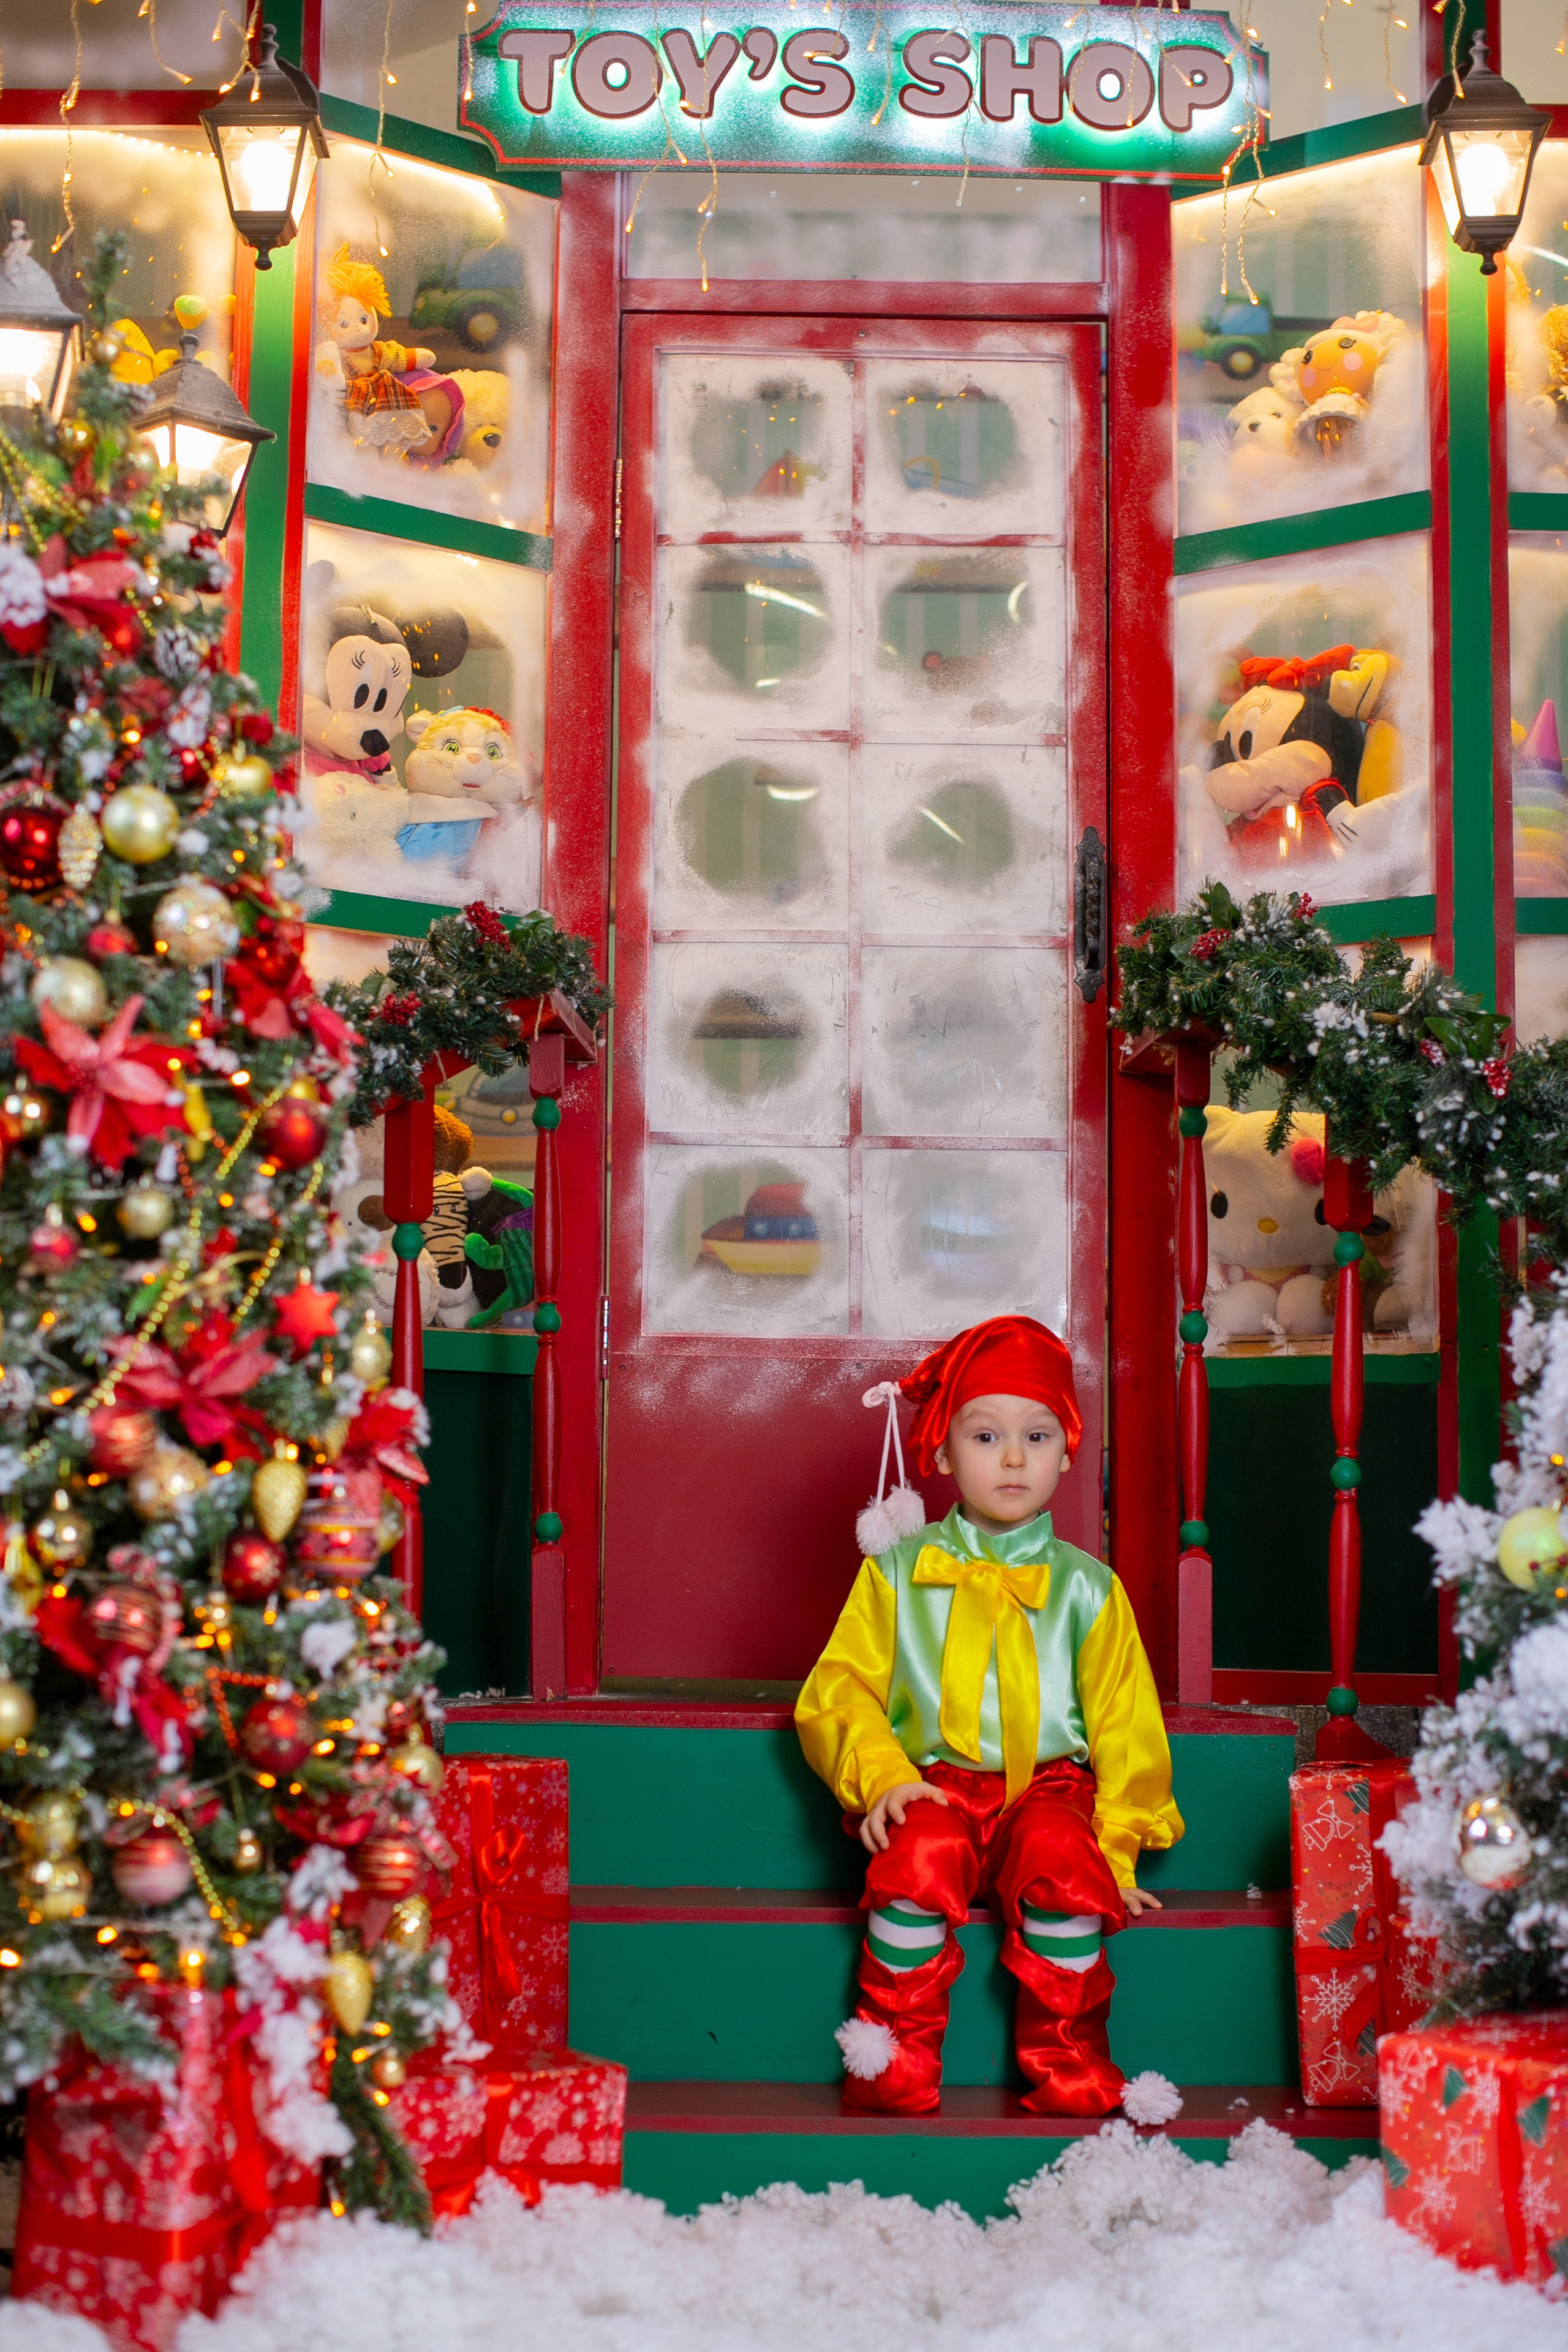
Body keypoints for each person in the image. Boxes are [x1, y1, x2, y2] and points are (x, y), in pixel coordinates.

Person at [795, 1314, 1182, 2117]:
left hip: (1049, 1790)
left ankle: (1070, 2061)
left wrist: (1119, 1845)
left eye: (1038, 1436)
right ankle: (891, 2060)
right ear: (940, 1455)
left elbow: (1126, 1722)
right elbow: (839, 1690)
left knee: (1063, 1864)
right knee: (915, 1863)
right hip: (933, 1786)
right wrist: (885, 1780)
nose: (1014, 1458)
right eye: (986, 1436)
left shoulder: (1087, 1588)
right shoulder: (900, 1572)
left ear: (1068, 1453)